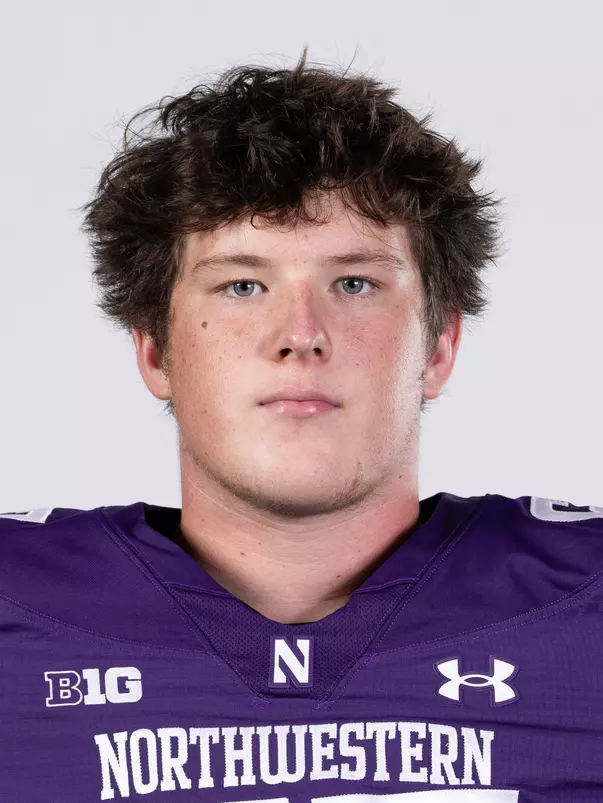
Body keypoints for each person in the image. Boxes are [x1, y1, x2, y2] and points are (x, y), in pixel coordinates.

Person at [1, 49, 601, 802]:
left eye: (354, 282)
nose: (300, 335)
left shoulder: (582, 604)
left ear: (438, 347)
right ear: (155, 349)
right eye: (242, 285)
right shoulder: (17, 608)